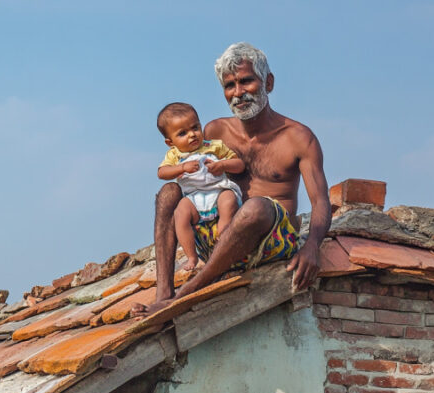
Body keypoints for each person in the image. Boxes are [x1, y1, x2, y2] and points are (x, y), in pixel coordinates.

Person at [133, 42, 331, 317]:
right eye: (229, 85)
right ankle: (163, 295)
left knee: (255, 207)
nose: (238, 93)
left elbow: (321, 201)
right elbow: (182, 176)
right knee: (168, 192)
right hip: (219, 240)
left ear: (268, 83)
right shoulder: (215, 132)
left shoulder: (298, 137)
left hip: (270, 241)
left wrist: (312, 247)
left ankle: (183, 297)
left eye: (246, 81)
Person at [156, 102, 245, 270]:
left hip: (219, 189)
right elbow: (162, 173)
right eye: (183, 133)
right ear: (170, 142)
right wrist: (181, 168)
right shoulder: (174, 155)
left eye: (195, 128)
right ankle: (191, 256)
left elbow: (239, 164)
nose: (192, 135)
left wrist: (222, 165)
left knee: (228, 200)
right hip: (193, 197)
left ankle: (223, 235)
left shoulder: (213, 146)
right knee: (180, 214)